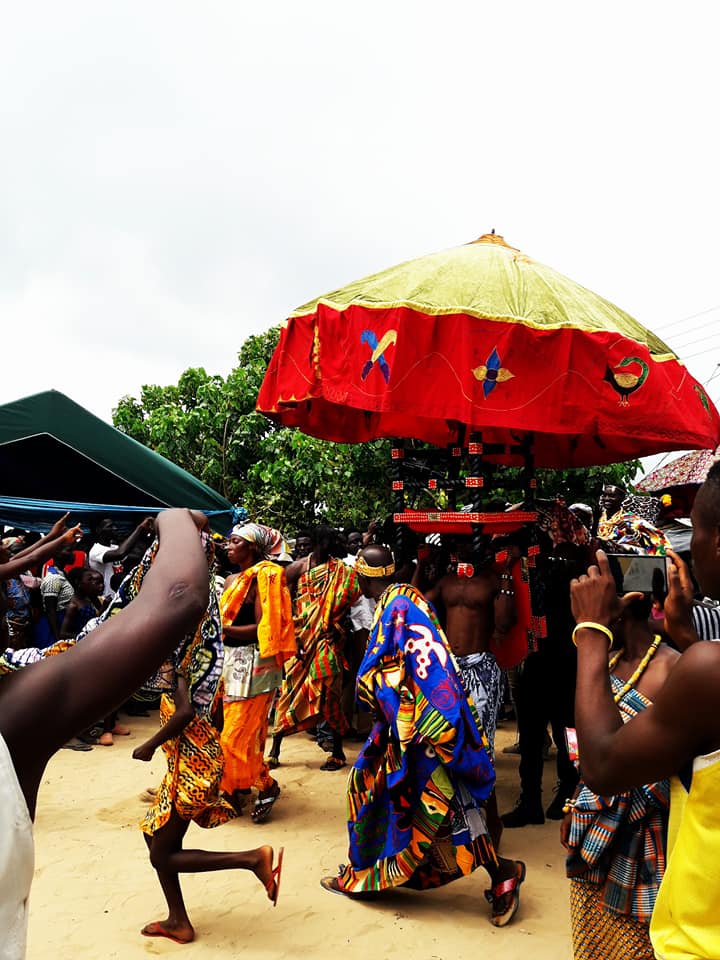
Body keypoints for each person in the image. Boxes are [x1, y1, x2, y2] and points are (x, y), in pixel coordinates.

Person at [0, 510, 212, 959]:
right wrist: (174, 517)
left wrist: (48, 546)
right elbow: (179, 596)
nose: (10, 599)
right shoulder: (14, 714)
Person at [320, 546, 526, 927]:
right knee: (375, 795)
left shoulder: (399, 605)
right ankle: (368, 873)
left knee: (453, 810)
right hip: (405, 728)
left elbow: (421, 667)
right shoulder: (405, 601)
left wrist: (418, 717)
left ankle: (504, 873)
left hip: (423, 730)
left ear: (363, 579)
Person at [570, 460, 720, 960]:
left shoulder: (692, 668)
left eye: (694, 529)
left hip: (685, 915)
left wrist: (589, 630)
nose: (689, 550)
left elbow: (604, 766)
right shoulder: (694, 657)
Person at [561, 594, 679, 959]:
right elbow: (587, 749)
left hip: (643, 842)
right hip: (594, 833)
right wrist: (575, 805)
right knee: (593, 943)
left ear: (629, 600)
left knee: (635, 946)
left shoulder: (673, 668)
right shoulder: (605, 662)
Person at [218, 523, 296, 822]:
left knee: (236, 735)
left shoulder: (266, 577)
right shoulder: (230, 581)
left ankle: (266, 784)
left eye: (235, 541)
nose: (228, 546)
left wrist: (223, 628)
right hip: (229, 660)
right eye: (228, 541)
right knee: (240, 733)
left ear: (252, 547)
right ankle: (236, 789)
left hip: (255, 662)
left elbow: (264, 629)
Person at [267, 525, 360, 771]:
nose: (331, 547)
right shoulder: (297, 568)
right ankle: (274, 750)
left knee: (330, 690)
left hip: (328, 643)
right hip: (300, 641)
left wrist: (337, 628)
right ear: (319, 542)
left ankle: (337, 752)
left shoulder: (341, 571)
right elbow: (281, 603)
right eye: (327, 542)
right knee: (288, 692)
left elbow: (348, 600)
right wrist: (292, 637)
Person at [88, 516, 155, 598]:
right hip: (108, 597)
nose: (115, 528)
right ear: (98, 530)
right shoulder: (96, 550)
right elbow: (120, 554)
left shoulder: (114, 547)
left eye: (114, 526)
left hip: (120, 593)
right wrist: (140, 528)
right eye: (110, 526)